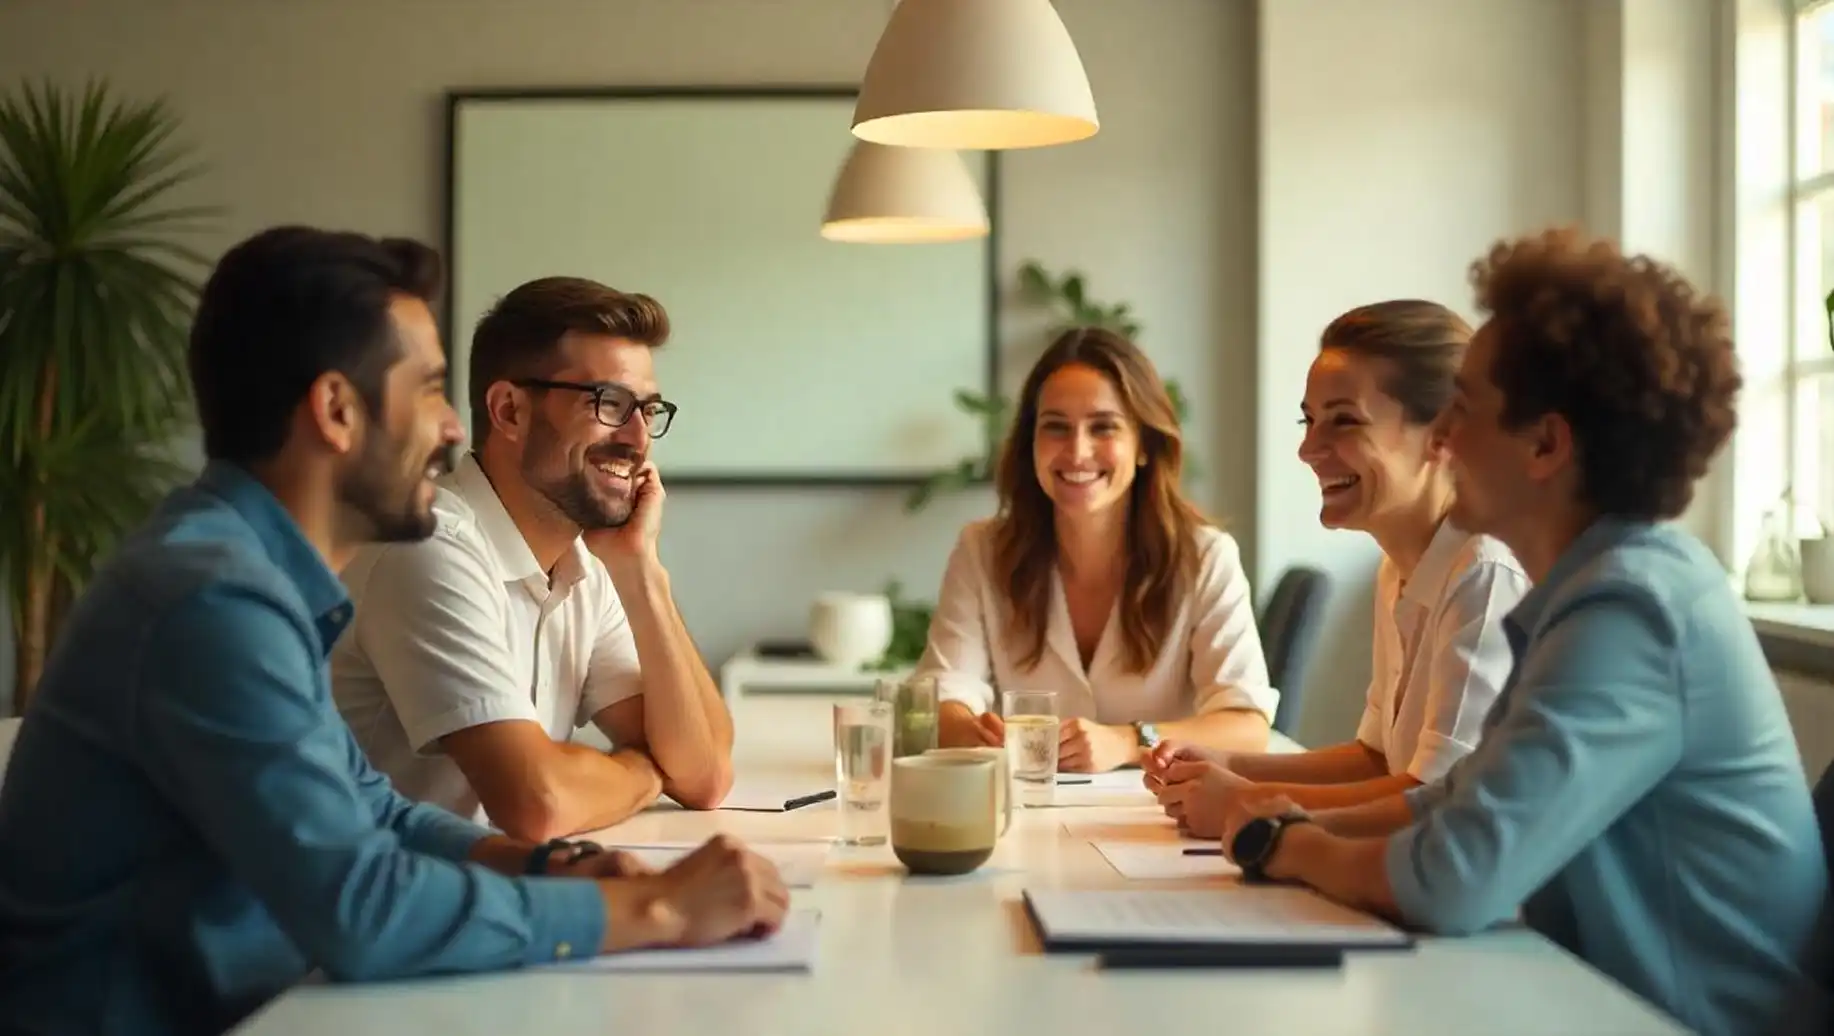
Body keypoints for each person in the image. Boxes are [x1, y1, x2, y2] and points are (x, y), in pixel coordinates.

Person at [0, 227, 787, 1036]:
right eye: (429, 390)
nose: (452, 429)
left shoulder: (246, 573)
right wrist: (655, 907)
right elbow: (362, 907)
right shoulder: (211, 598)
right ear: (337, 411)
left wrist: (554, 866)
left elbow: (376, 808)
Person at [1212, 228, 1827, 1036]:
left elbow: (1451, 878)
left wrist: (1276, 839)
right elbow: (1457, 802)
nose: (1444, 439)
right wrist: (1287, 812)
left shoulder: (1632, 611)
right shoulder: (1598, 588)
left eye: (1463, 411)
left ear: (1545, 443)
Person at [330, 276, 733, 839]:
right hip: (386, 910)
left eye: (649, 409)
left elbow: (703, 774)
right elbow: (538, 803)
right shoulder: (428, 545)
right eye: (610, 403)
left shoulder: (587, 565)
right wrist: (643, 771)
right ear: (510, 411)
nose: (639, 438)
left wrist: (642, 571)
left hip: (485, 893)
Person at [1144, 300, 1528, 834]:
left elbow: (1438, 798)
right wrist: (1228, 764)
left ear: (1445, 435)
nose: (1308, 448)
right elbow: (1376, 758)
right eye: (1309, 420)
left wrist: (1250, 802)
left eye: (1343, 421)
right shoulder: (1398, 569)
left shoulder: (1485, 573)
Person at [922, 327, 1278, 772]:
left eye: (1103, 427)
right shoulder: (983, 550)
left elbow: (1247, 726)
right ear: (1030, 443)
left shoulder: (1205, 558)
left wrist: (1130, 742)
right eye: (1055, 427)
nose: (1077, 450)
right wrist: (971, 730)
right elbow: (941, 694)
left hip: (1158, 820)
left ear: (1144, 445)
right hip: (1026, 814)